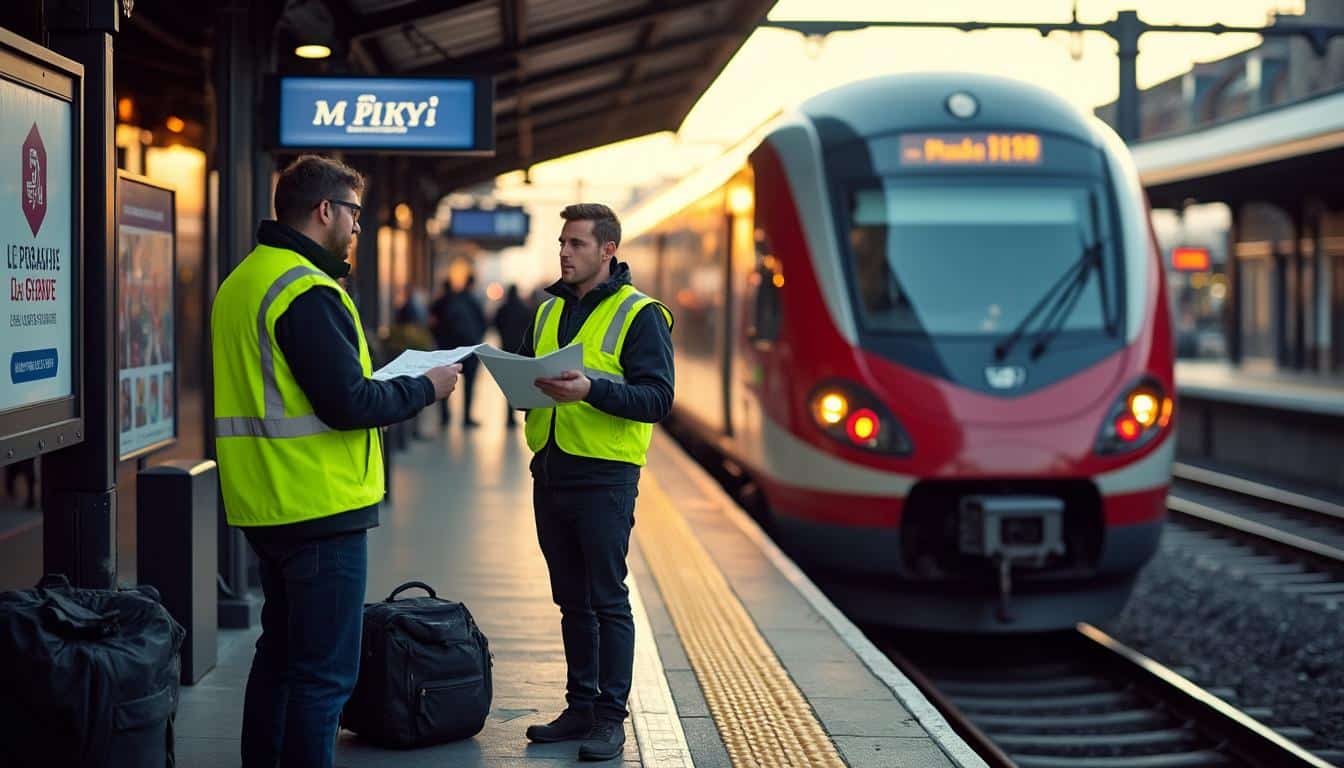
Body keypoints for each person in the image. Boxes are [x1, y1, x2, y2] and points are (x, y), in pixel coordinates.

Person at [210, 154, 461, 768]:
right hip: (318, 505)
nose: (356, 226)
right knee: (324, 677)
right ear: (325, 210)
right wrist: (427, 387)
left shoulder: (245, 280)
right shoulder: (306, 291)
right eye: (352, 212)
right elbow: (348, 402)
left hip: (265, 501)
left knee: (282, 656)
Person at [521, 204, 674, 762]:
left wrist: (592, 391)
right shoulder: (545, 312)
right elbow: (527, 371)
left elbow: (657, 399)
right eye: (562, 242)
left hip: (605, 478)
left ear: (608, 250)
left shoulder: (642, 315)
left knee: (607, 599)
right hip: (551, 469)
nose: (564, 252)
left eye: (577, 243)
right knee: (571, 600)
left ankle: (611, 718)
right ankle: (580, 705)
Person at [490, 283, 532, 428]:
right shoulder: (524, 309)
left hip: (505, 349)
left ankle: (509, 417)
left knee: (508, 385)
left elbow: (494, 324)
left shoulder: (502, 309)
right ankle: (512, 417)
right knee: (517, 383)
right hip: (520, 351)